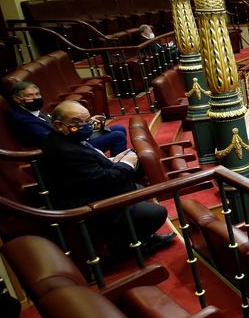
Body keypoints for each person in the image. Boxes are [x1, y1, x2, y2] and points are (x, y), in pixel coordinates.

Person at [40, 100, 174, 255]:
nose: (85, 126)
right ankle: (131, 246)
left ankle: (138, 237)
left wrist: (112, 161)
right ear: (58, 125)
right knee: (158, 213)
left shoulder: (65, 138)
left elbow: (89, 171)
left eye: (87, 121)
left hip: (93, 191)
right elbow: (104, 181)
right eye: (77, 122)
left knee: (142, 191)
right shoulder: (66, 150)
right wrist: (126, 164)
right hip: (91, 207)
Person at [8, 81, 128, 157]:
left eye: (37, 94)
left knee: (118, 127)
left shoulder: (33, 110)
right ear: (17, 99)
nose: (36, 98)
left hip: (71, 137)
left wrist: (86, 123)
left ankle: (113, 160)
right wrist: (85, 127)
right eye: (29, 95)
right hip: (69, 148)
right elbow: (54, 139)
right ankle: (116, 166)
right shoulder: (23, 119)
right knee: (118, 136)